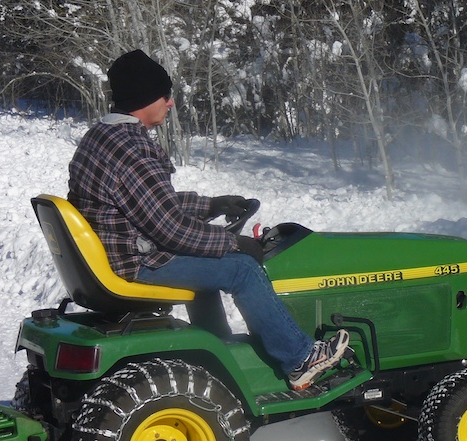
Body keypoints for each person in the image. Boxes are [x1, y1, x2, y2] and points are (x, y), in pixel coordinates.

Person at [67, 49, 349, 391]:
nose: (170, 104)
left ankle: (222, 355)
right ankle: (300, 358)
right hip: (136, 262)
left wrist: (213, 204)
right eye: (165, 96)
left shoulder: (101, 137)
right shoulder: (132, 148)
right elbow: (170, 230)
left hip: (116, 253)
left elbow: (151, 202)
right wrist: (234, 243)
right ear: (146, 98)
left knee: (213, 261)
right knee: (242, 268)